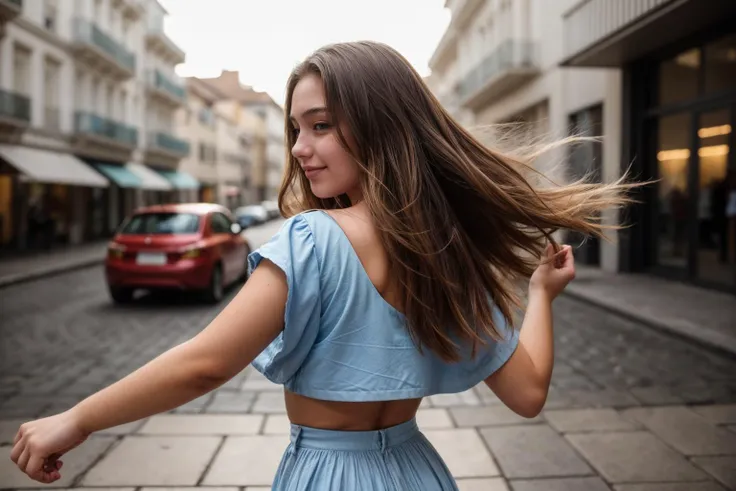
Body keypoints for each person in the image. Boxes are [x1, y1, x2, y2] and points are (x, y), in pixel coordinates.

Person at [10, 41, 634, 490]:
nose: (301, 149)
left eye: (322, 126)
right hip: (422, 472)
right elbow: (527, 395)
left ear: (383, 127)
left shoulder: (313, 237)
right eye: (295, 129)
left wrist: (76, 419)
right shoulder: (448, 250)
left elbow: (204, 366)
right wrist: (541, 296)